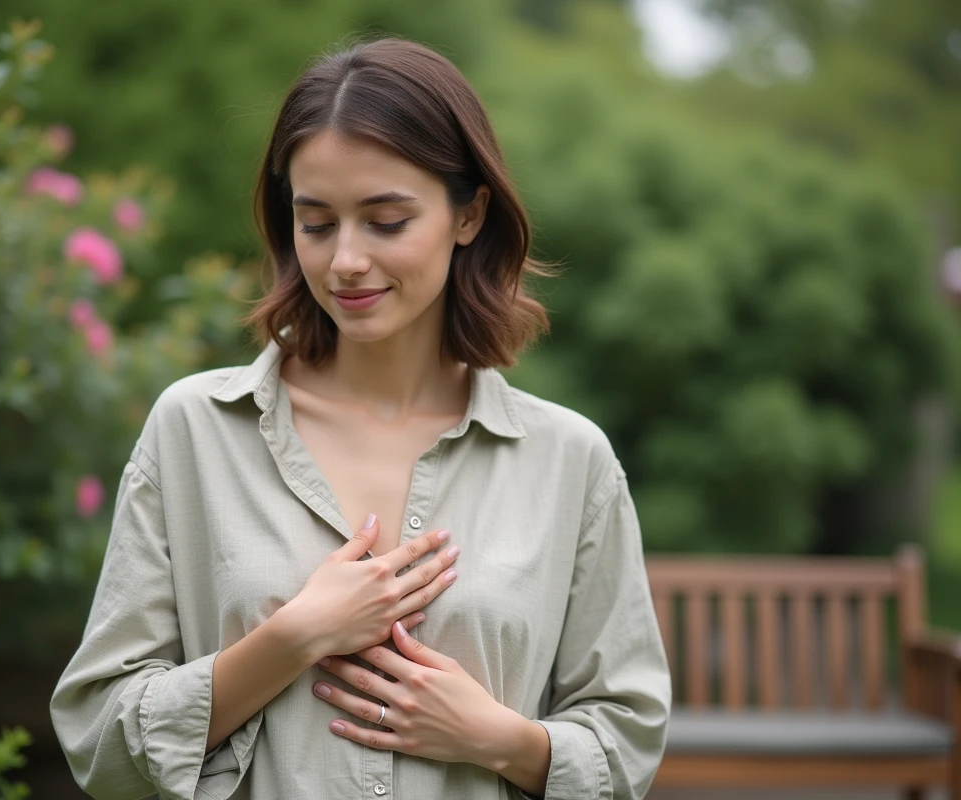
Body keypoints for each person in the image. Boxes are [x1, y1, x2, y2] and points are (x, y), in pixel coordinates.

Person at [51, 37, 670, 800]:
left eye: (385, 221)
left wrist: (497, 738)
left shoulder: (570, 461)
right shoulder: (194, 431)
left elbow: (626, 747)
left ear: (469, 215)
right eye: (316, 224)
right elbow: (99, 742)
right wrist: (291, 638)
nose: (344, 259)